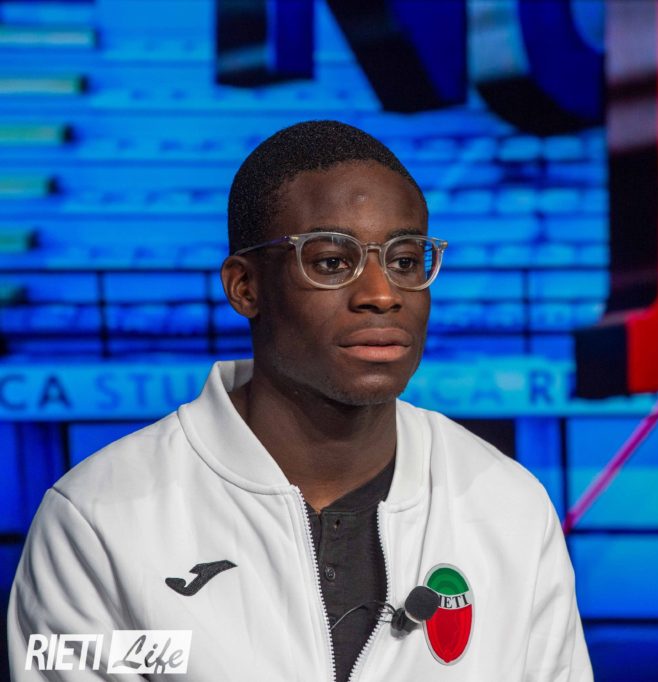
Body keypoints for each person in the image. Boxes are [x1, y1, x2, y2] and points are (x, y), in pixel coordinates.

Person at [7, 120, 592, 681]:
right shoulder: (98, 519)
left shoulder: (510, 506)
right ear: (245, 287)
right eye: (332, 262)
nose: (382, 294)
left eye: (405, 261)